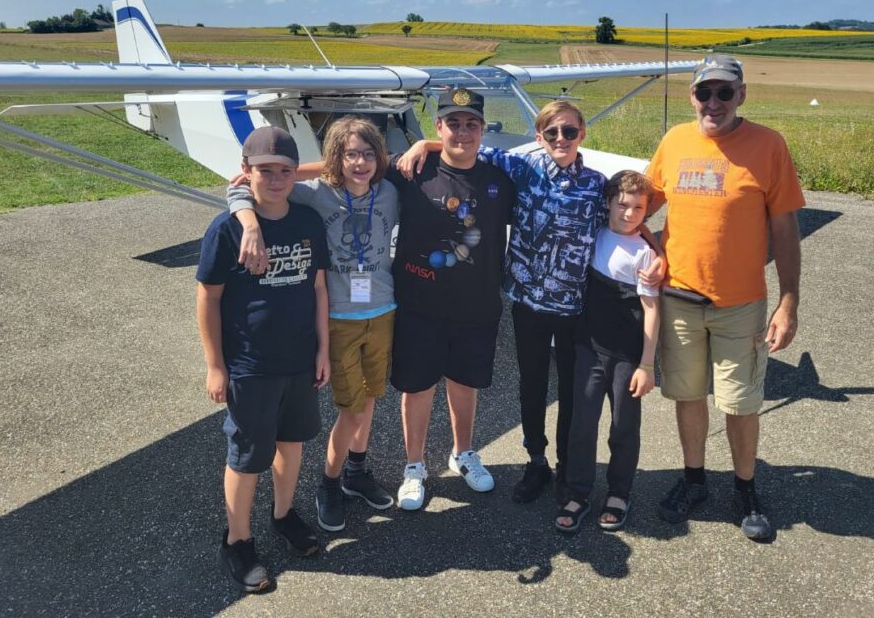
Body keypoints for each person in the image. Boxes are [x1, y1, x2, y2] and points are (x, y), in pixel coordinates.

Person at [399, 101, 619, 505]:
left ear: (582, 134)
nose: (560, 139)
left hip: (573, 306)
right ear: (538, 138)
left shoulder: (597, 184)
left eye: (569, 132)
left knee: (569, 392)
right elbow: (462, 147)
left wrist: (654, 248)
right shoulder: (522, 168)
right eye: (551, 132)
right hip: (528, 302)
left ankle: (568, 467)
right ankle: (535, 461)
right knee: (530, 387)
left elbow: (628, 217)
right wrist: (424, 146)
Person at [645, 54, 804, 541]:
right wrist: (648, 247)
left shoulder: (768, 145)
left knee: (741, 403)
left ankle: (744, 487)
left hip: (741, 303)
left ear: (742, 95)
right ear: (692, 96)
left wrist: (789, 301)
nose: (713, 102)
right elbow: (636, 205)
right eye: (704, 93)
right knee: (687, 395)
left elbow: (785, 228)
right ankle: (694, 480)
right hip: (678, 300)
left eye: (724, 92)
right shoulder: (674, 141)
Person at [228, 116, 399, 534]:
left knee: (370, 398)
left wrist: (425, 146)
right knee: (351, 407)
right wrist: (249, 223)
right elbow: (239, 188)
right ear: (334, 160)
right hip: (339, 317)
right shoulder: (316, 195)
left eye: (367, 154)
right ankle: (330, 483)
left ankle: (356, 471)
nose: (359, 163)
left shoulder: (390, 192)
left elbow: (433, 155)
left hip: (382, 311)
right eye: (349, 155)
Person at [197, 125, 330, 592]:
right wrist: (216, 365)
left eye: (285, 171)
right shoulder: (227, 228)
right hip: (250, 366)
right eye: (264, 171)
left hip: (298, 360)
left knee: (292, 443)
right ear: (245, 173)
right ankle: (237, 540)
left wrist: (324, 349)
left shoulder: (308, 221)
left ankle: (284, 513)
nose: (275, 180)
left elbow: (317, 287)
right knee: (248, 455)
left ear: (296, 173)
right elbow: (208, 297)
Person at [388, 87, 515, 510]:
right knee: (417, 388)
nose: (463, 132)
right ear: (438, 126)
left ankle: (463, 453)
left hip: (476, 308)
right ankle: (414, 466)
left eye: (471, 124)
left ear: (482, 130)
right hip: (418, 307)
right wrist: (284, 173)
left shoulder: (500, 180)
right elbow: (346, 169)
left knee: (464, 385)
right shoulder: (412, 170)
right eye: (453, 123)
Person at [557, 171, 660, 533]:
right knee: (581, 425)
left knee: (623, 427)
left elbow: (651, 310)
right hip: (589, 348)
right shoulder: (594, 233)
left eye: (638, 208)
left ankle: (619, 492)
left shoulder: (646, 255)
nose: (629, 214)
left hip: (627, 357)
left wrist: (647, 364)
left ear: (647, 212)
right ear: (608, 203)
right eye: (622, 204)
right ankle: (578, 491)